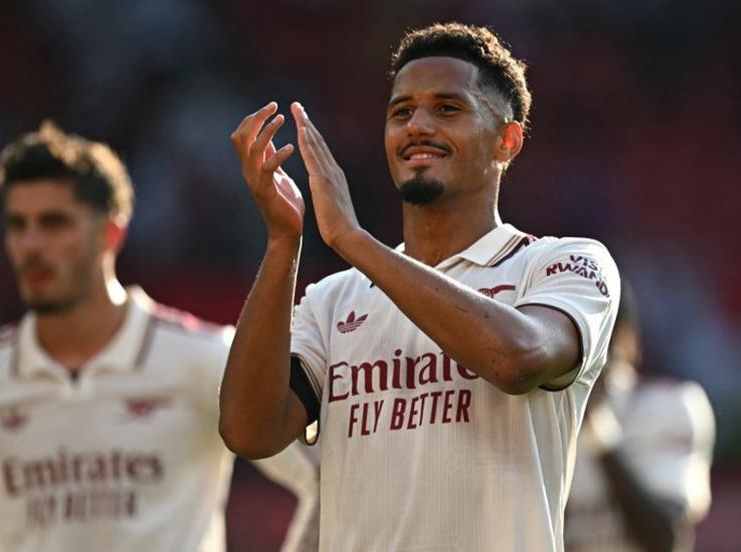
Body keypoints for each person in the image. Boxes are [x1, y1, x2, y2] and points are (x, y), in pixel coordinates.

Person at [221, 22, 621, 551]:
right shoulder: (333, 300)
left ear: (507, 140)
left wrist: (353, 240)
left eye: (448, 109)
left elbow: (519, 359)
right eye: (401, 112)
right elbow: (250, 432)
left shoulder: (562, 263)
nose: (417, 126)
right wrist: (281, 242)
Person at [0, 122, 317, 551]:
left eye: (54, 223)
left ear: (112, 231)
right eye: (18, 225)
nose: (31, 244)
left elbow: (324, 478)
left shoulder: (204, 360)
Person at [565, 282, 715, 551]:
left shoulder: (669, 405)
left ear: (628, 341)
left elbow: (665, 536)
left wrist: (598, 433)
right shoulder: (545, 416)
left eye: (603, 343)